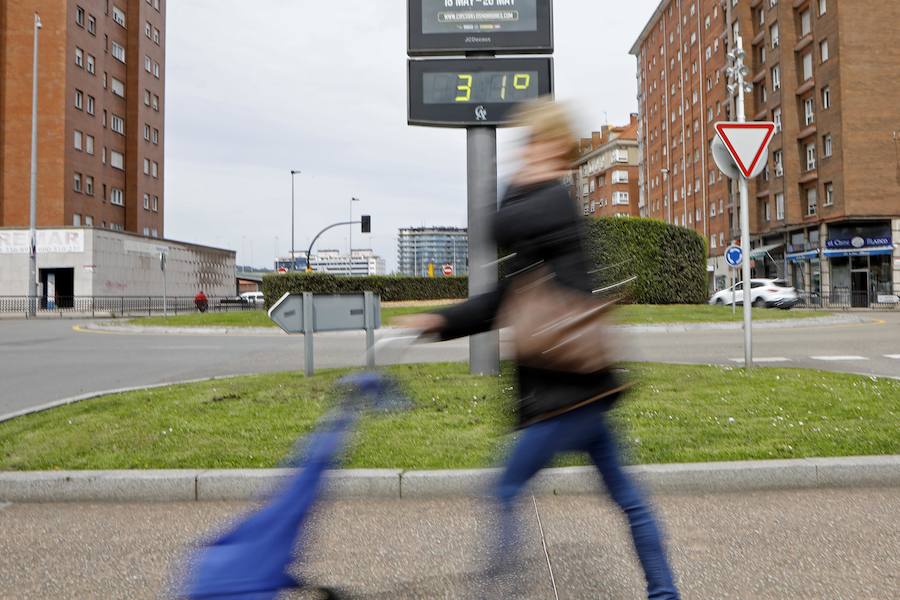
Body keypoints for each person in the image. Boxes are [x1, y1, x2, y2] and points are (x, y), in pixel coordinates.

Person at [399, 98, 680, 599]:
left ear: (550, 145)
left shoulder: (552, 201)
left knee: (505, 489)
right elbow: (501, 301)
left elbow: (492, 229)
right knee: (629, 501)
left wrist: (530, 171)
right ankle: (665, 593)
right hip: (586, 393)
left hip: (560, 399)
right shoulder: (544, 227)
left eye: (531, 142)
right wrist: (438, 320)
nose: (522, 153)